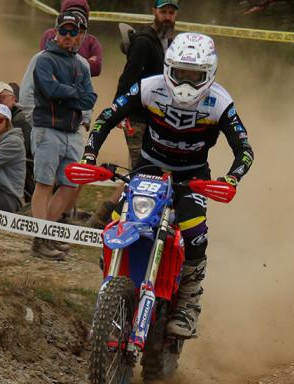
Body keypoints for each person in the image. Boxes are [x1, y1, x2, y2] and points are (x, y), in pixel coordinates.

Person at [82, 33, 255, 338]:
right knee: (117, 222)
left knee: (195, 233)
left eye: (194, 75)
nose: (186, 82)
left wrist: (231, 178)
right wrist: (89, 155)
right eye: (180, 73)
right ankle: (113, 288)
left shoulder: (220, 102)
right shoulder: (149, 87)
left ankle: (187, 304)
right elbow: (108, 116)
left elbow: (244, 148)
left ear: (209, 73)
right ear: (168, 68)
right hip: (149, 168)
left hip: (193, 177)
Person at [86, 0, 177, 229]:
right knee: (144, 173)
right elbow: (128, 77)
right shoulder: (144, 42)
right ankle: (108, 219)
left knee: (142, 171)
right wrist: (119, 111)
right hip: (136, 115)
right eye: (163, 11)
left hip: (157, 119)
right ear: (154, 11)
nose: (167, 16)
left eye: (171, 12)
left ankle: (103, 217)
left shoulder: (169, 42)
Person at [30, 11, 96, 260]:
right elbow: (50, 89)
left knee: (70, 184)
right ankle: (40, 240)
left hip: (72, 131)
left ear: (80, 35)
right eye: (63, 30)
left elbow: (90, 98)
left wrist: (66, 92)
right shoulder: (44, 60)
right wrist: (75, 93)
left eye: (73, 31)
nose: (68, 35)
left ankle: (46, 234)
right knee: (44, 184)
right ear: (55, 32)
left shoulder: (82, 64)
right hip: (47, 128)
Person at [0, 81, 33, 201]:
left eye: (1, 98)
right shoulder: (3, 120)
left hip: (19, 183)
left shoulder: (19, 122)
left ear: (13, 99)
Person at [38, 0, 102, 78]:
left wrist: (64, 64)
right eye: (65, 30)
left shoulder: (91, 41)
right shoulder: (50, 34)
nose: (72, 36)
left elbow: (96, 68)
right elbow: (48, 64)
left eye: (79, 31)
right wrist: (85, 64)